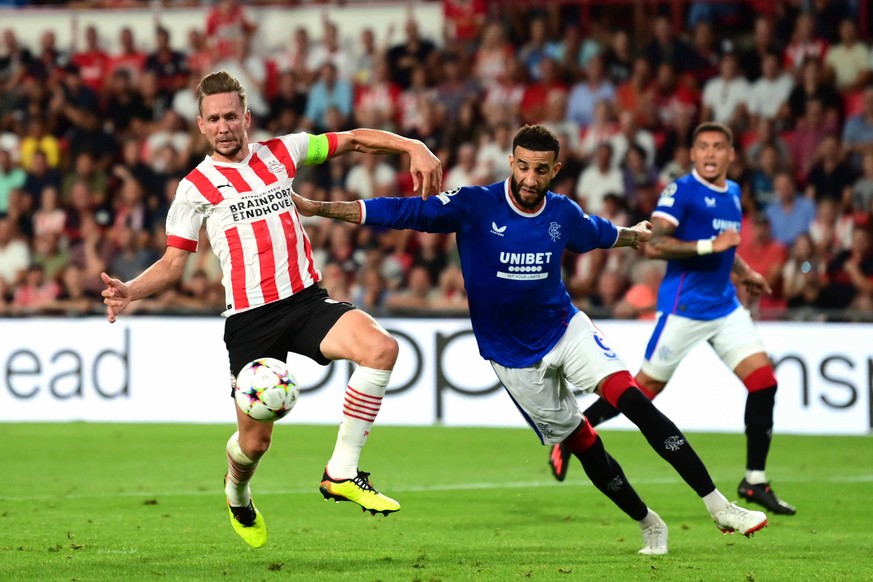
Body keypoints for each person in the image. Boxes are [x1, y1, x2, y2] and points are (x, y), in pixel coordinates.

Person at [292, 124, 768, 556]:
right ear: (512, 163)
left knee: (635, 401)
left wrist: (634, 236)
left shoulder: (562, 213)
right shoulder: (475, 205)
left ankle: (718, 505)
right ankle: (650, 525)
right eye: (522, 166)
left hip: (565, 329)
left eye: (541, 170)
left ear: (554, 170)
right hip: (512, 359)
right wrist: (320, 210)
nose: (529, 177)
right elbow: (400, 211)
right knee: (586, 444)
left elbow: (601, 235)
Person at [100, 70, 443, 549]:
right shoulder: (194, 188)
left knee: (381, 349)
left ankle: (341, 471)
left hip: (306, 301)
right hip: (250, 321)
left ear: (247, 118)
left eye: (231, 116)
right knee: (255, 443)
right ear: (201, 125)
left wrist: (411, 145)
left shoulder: (284, 152)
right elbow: (174, 264)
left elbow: (355, 141)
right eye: (214, 118)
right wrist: (130, 291)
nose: (224, 126)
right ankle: (236, 490)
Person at [547, 122, 797, 517]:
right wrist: (709, 246)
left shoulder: (732, 193)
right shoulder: (681, 191)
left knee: (764, 383)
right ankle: (573, 436)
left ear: (732, 154)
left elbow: (724, 248)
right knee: (641, 392)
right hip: (684, 309)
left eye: (718, 147)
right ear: (693, 154)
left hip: (726, 307)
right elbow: (655, 246)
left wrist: (744, 272)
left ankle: (754, 481)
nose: (711, 154)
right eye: (703, 147)